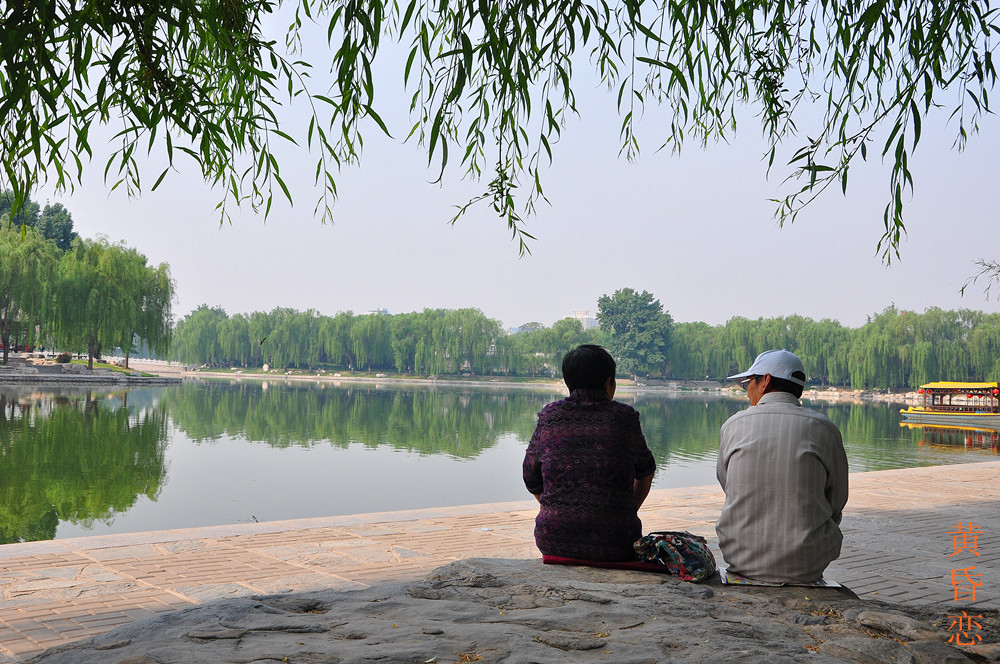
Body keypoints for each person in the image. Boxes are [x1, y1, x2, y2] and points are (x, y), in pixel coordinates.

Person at [717, 349, 848, 583]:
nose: (747, 391)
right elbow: (837, 500)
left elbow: (727, 485)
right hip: (807, 563)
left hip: (741, 558)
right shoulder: (824, 429)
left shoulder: (733, 425)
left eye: (749, 382)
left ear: (765, 381)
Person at [522, 344, 656, 561]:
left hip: (554, 540)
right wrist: (626, 511)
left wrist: (556, 509)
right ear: (608, 382)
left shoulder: (550, 416)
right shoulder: (623, 417)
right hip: (616, 542)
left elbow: (530, 476)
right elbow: (646, 472)